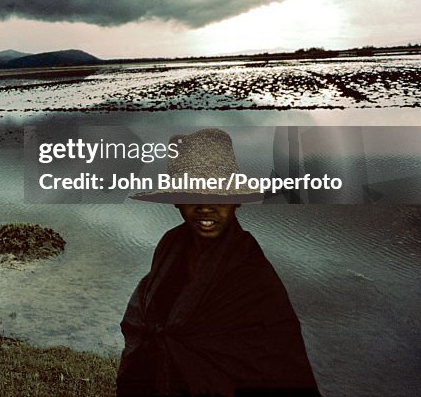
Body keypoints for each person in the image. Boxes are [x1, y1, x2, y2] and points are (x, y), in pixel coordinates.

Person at [117, 129, 320, 397]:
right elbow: (147, 318)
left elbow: (278, 366)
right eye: (192, 194)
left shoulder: (253, 276)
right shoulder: (170, 244)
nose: (205, 206)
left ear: (236, 201)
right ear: (177, 201)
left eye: (218, 194)